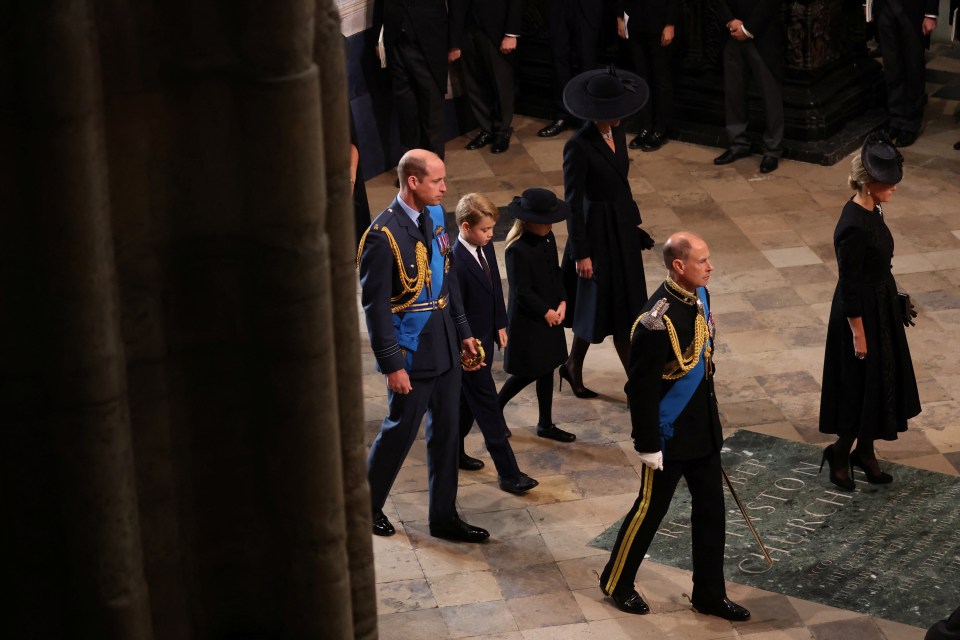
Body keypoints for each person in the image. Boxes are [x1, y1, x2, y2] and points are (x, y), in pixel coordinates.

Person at [598, 232, 750, 622]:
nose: (710, 267)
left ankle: (709, 595)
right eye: (702, 261)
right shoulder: (655, 322)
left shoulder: (701, 296)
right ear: (678, 267)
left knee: (712, 514)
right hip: (667, 435)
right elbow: (642, 388)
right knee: (650, 511)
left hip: (702, 432)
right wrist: (647, 443)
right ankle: (617, 582)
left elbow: (704, 365)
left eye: (709, 259)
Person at [357, 149, 489, 542]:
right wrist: (392, 364)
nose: (445, 188)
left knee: (448, 435)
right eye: (437, 181)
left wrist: (464, 331)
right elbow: (375, 308)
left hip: (446, 345)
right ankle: (366, 507)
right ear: (413, 182)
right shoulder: (382, 236)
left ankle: (444, 517)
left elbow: (447, 281)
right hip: (412, 352)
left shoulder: (436, 218)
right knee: (399, 432)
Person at [818, 134, 920, 490]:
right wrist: (858, 333)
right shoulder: (851, 226)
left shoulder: (874, 207)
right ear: (867, 182)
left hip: (879, 304)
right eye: (887, 181)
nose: (893, 187)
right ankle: (840, 451)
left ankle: (866, 451)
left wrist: (895, 295)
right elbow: (849, 284)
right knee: (857, 386)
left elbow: (876, 264)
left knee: (879, 383)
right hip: (858, 313)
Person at [559, 66, 655, 398]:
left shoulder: (617, 131)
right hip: (596, 234)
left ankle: (572, 366)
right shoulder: (578, 146)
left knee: (619, 306)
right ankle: (637, 386)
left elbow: (621, 184)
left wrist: (633, 226)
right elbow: (572, 203)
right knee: (606, 307)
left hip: (620, 230)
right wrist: (581, 252)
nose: (620, 115)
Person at [453, 192, 540, 494]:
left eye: (492, 229)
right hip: (469, 350)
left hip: (486, 338)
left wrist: (500, 323)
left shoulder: (484, 247)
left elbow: (493, 288)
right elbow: (457, 308)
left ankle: (453, 451)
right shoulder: (454, 260)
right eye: (485, 230)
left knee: (467, 401)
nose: (491, 236)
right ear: (466, 227)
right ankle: (509, 473)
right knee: (487, 405)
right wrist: (469, 343)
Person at [497, 188, 574, 443]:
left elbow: (555, 272)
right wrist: (546, 312)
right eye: (544, 221)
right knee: (528, 371)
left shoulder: (548, 239)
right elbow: (521, 292)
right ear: (529, 221)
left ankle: (545, 423)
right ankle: (495, 408)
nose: (549, 225)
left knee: (547, 368)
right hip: (529, 320)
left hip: (551, 314)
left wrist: (562, 300)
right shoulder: (516, 250)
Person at [372, 0, 452, 159]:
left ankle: (433, 168)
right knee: (406, 110)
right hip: (395, 41)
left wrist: (455, 42)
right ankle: (411, 168)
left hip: (429, 40)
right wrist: (377, 38)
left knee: (431, 109)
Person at [712, 0, 784, 174]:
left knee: (770, 95)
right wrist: (730, 21)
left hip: (763, 34)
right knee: (733, 93)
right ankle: (738, 144)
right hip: (730, 34)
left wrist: (748, 28)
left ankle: (773, 149)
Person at [449, 0, 524, 154]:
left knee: (501, 83)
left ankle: (502, 131)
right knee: (474, 83)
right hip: (466, 29)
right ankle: (486, 129)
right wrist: (454, 41)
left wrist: (511, 33)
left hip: (496, 29)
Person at [870, 0, 939, 147]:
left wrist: (931, 14)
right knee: (892, 68)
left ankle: (910, 124)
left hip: (913, 10)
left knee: (913, 68)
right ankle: (895, 120)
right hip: (884, 7)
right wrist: (867, 5)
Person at [616, 0, 678, 152]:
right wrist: (619, 18)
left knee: (661, 80)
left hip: (659, 22)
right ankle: (646, 126)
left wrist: (670, 24)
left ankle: (661, 129)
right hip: (635, 21)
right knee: (641, 78)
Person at [536, 0, 601, 138]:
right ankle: (563, 116)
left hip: (586, 6)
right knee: (559, 58)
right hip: (559, 5)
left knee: (586, 60)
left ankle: (587, 119)